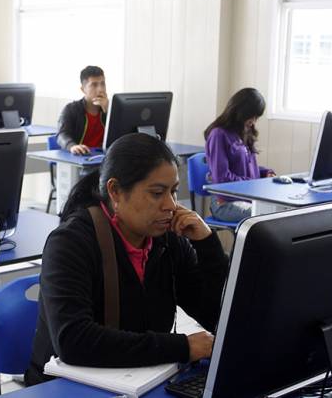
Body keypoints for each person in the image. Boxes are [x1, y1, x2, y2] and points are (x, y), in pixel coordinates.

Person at [25, 133, 229, 386]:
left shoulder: (168, 240)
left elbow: (216, 316)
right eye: (157, 193)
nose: (171, 205)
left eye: (174, 191)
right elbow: (74, 341)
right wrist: (181, 346)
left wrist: (207, 245)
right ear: (115, 191)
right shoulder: (71, 242)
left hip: (141, 380)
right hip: (65, 387)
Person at [203, 87, 275, 223]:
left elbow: (247, 170)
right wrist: (254, 184)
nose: (253, 121)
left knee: (277, 211)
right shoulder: (218, 135)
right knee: (265, 215)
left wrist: (265, 173)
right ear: (241, 111)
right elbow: (222, 178)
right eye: (252, 116)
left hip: (247, 198)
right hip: (224, 203)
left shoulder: (244, 132)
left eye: (256, 117)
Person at [56, 65, 108, 154]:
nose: (100, 89)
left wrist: (109, 111)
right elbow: (62, 134)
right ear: (83, 89)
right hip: (81, 156)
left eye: (102, 84)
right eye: (94, 85)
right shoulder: (71, 109)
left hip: (105, 157)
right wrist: (72, 146)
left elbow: (122, 137)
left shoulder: (111, 108)